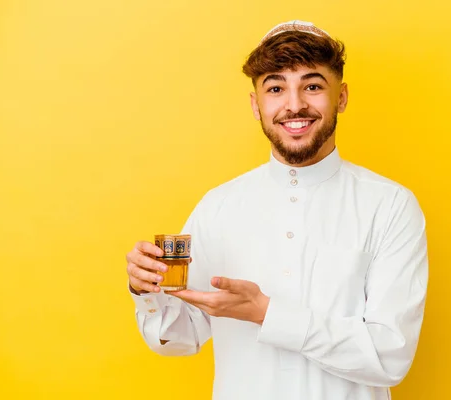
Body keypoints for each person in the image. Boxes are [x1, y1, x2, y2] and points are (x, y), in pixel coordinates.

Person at [125, 20, 429, 400]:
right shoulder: (218, 207)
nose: (295, 104)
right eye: (275, 88)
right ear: (256, 104)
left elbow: (390, 356)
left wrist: (267, 313)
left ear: (343, 97)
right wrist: (147, 289)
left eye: (313, 86)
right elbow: (179, 339)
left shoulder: (390, 206)